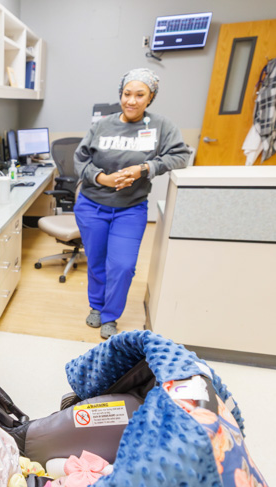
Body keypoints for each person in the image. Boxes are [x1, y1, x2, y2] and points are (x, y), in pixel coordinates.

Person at [74, 68, 189, 339]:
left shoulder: (162, 126)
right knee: (97, 260)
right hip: (92, 204)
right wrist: (103, 178)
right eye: (127, 94)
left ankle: (111, 315)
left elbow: (181, 156)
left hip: (130, 208)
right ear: (120, 94)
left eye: (140, 95)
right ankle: (97, 307)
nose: (132, 101)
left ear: (150, 98)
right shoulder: (102, 125)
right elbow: (80, 160)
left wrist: (145, 168)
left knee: (123, 265)